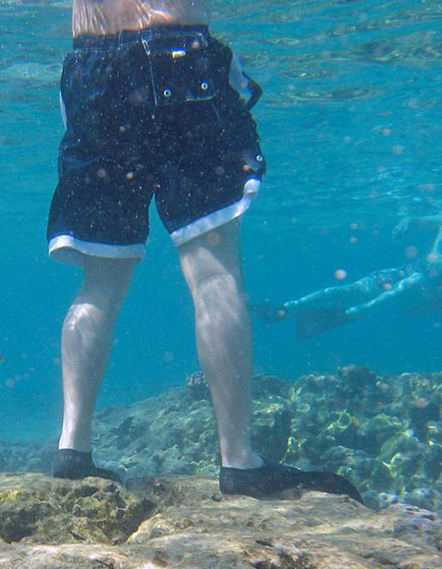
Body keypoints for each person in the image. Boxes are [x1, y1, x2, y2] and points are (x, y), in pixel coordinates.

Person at [46, 0, 361, 501]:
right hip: (179, 59)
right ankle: (239, 462)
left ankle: (72, 449)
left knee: (100, 280)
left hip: (93, 71)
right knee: (212, 271)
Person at [254, 215, 442, 339]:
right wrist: (411, 221)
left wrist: (366, 308)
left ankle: (296, 308)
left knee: (361, 292)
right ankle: (290, 307)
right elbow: (428, 222)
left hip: (423, 297)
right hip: (408, 282)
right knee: (354, 291)